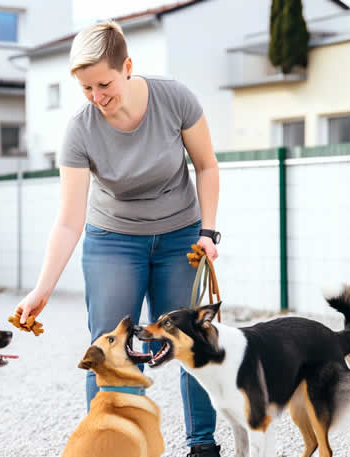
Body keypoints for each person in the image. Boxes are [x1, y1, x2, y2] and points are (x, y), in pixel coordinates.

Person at [14, 21, 222, 457]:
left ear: (127, 67)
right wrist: (42, 288)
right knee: (106, 346)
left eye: (104, 84)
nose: (96, 97)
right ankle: (112, 448)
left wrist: (207, 231)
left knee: (192, 341)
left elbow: (206, 166)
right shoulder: (80, 130)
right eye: (86, 88)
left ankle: (203, 447)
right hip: (112, 239)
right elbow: (69, 220)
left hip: (179, 235)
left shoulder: (175, 99)